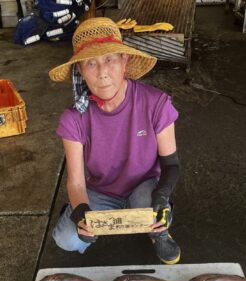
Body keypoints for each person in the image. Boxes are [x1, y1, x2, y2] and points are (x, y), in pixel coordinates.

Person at [49, 17, 181, 264]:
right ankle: (77, 214)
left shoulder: (156, 103)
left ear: (125, 61)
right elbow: (76, 183)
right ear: (80, 70)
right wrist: (80, 214)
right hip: (101, 190)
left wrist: (162, 197)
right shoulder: (73, 118)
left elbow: (171, 165)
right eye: (91, 63)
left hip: (144, 185)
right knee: (67, 239)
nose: (102, 73)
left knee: (153, 210)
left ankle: (159, 232)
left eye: (109, 59)